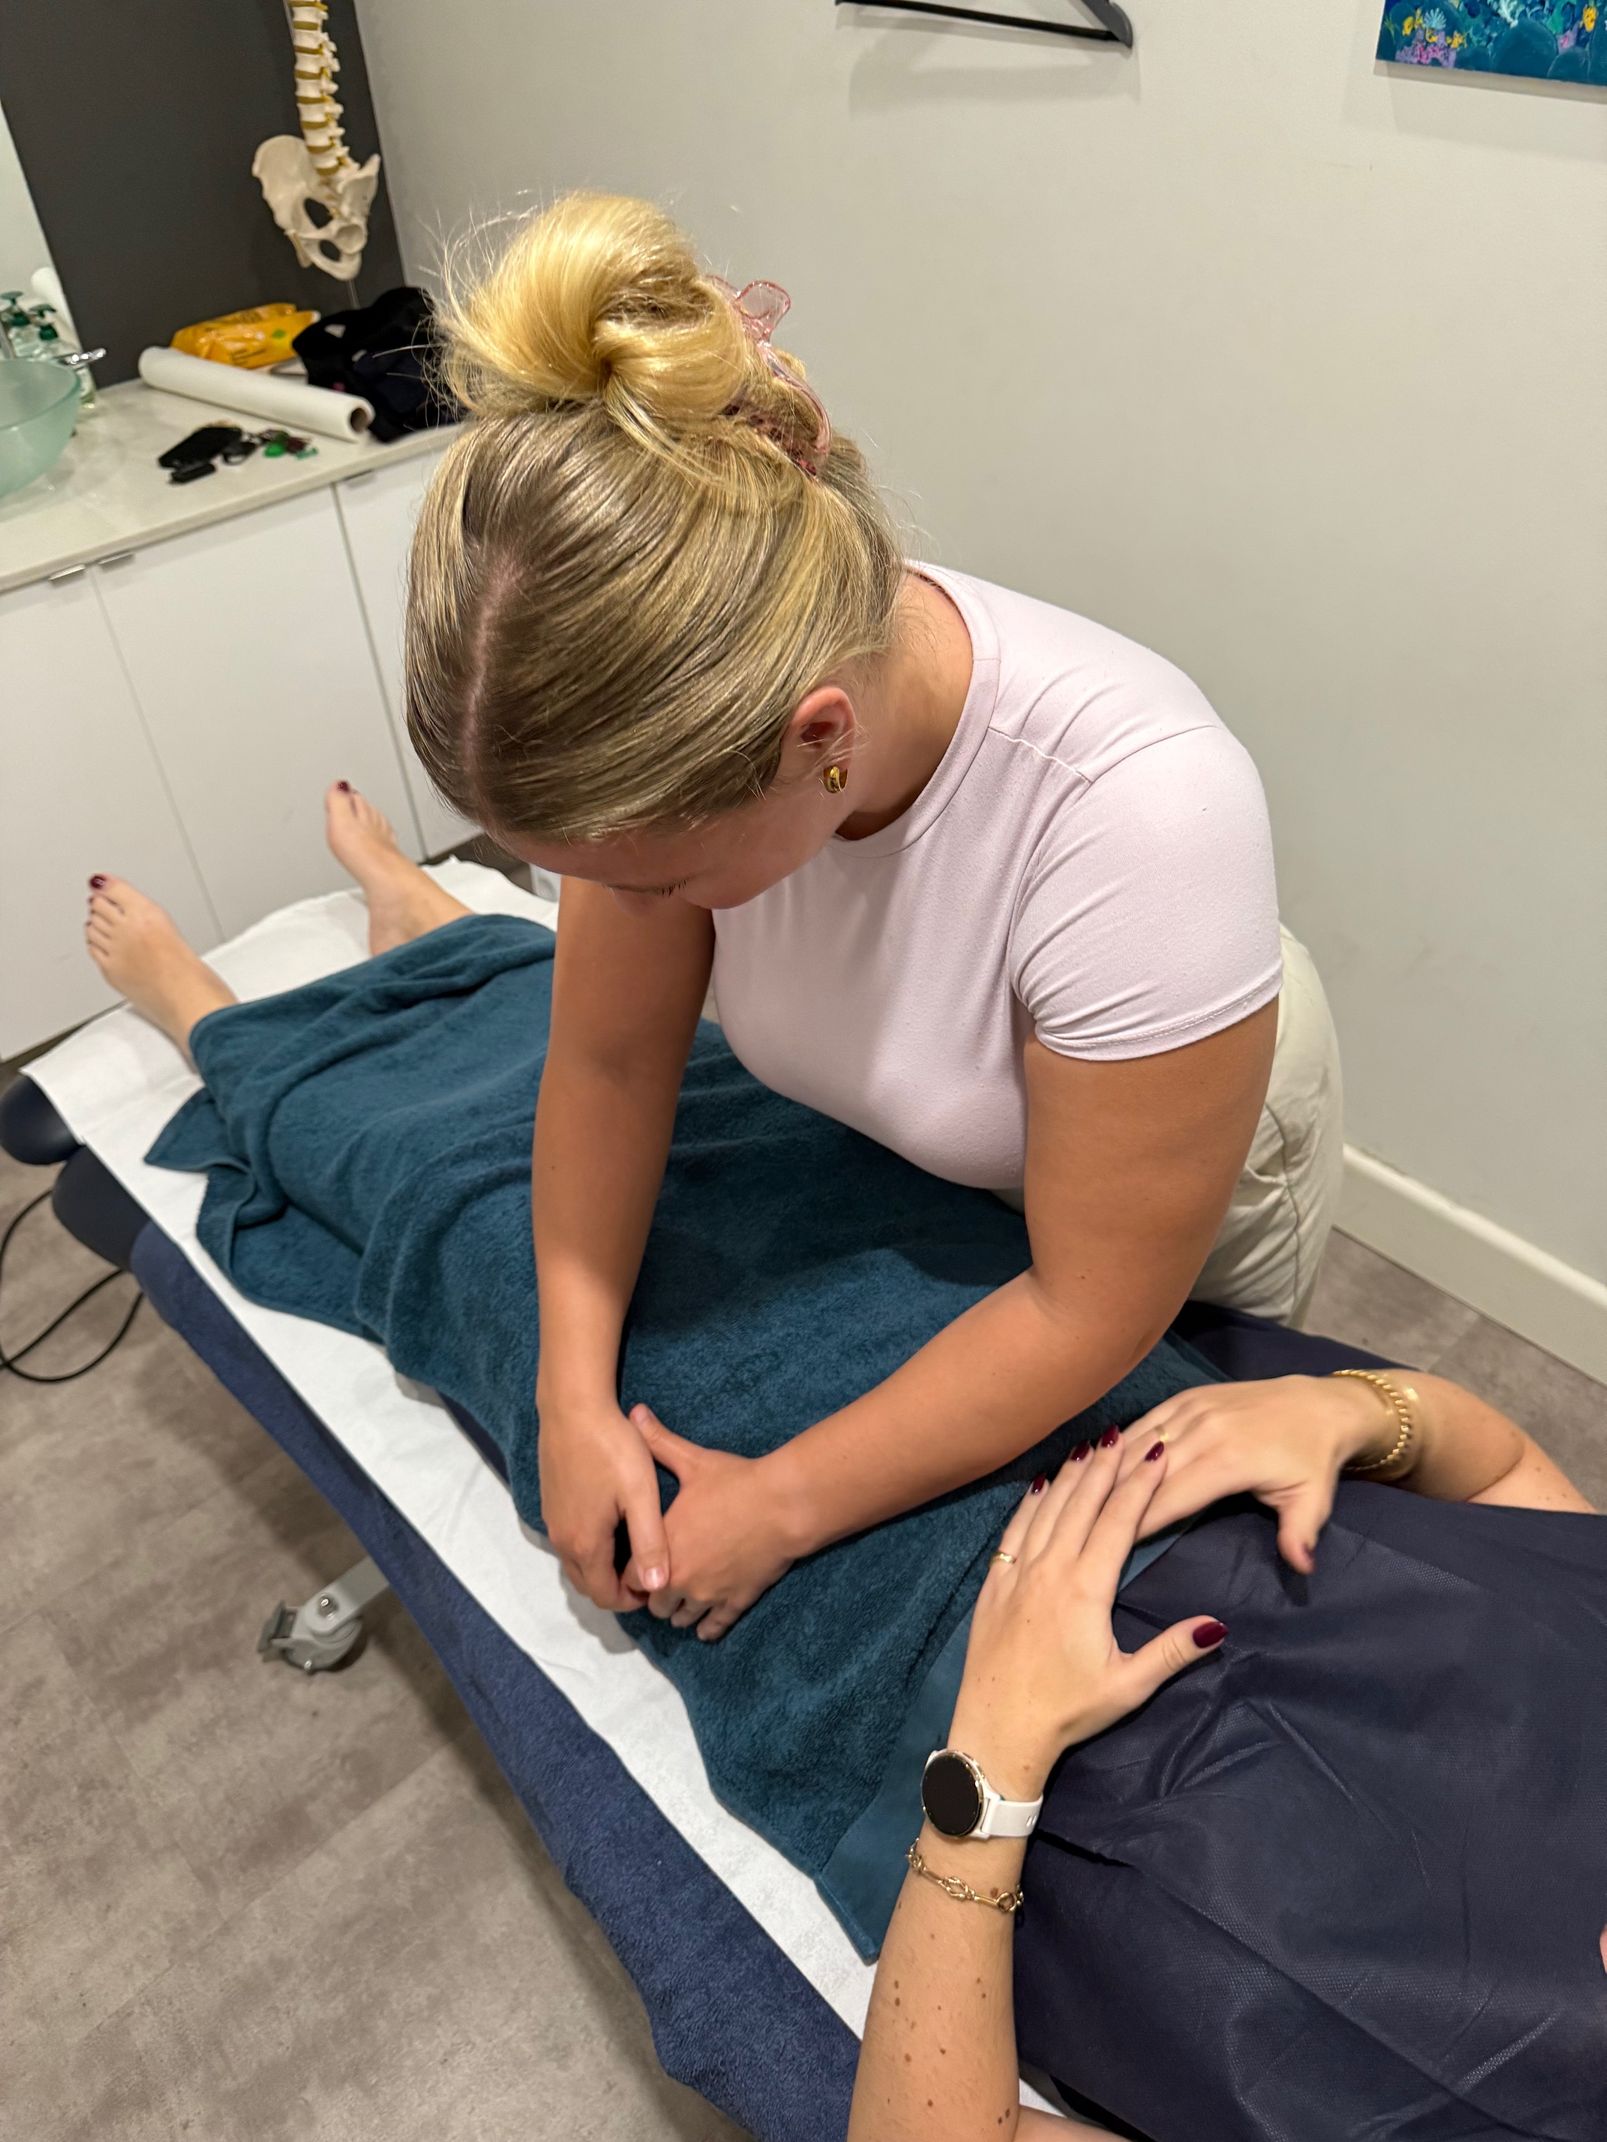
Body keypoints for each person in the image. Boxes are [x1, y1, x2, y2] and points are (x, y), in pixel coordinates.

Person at [400, 191, 1345, 1642]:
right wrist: (567, 1388)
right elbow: (601, 1062)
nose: (622, 908)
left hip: (1173, 1127)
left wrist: (774, 1506)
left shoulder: (1141, 810)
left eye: (650, 880)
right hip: (910, 1131)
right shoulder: (695, 741)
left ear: (814, 735)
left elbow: (1089, 1308)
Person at [849, 1381, 1595, 2141]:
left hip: (886, 1658)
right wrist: (1363, 1414)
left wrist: (990, 1761)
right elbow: (1504, 1478)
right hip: (1128, 1416)